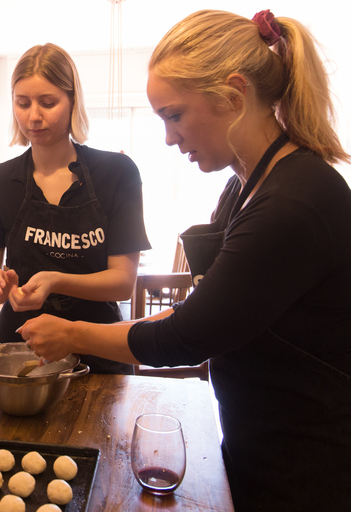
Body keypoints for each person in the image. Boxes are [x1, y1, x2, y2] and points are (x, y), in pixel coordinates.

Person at [18, 9, 351, 511]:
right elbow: (207, 308)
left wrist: (73, 334)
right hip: (254, 438)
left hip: (306, 461)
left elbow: (186, 336)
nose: (170, 138)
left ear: (235, 95)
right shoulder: (245, 187)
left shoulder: (295, 201)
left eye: (175, 115)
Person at [0, 43, 151, 374]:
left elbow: (123, 282)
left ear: (72, 102)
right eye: (22, 103)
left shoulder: (118, 173)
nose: (33, 116)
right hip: (18, 349)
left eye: (48, 103)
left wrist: (55, 280)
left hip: (98, 347)